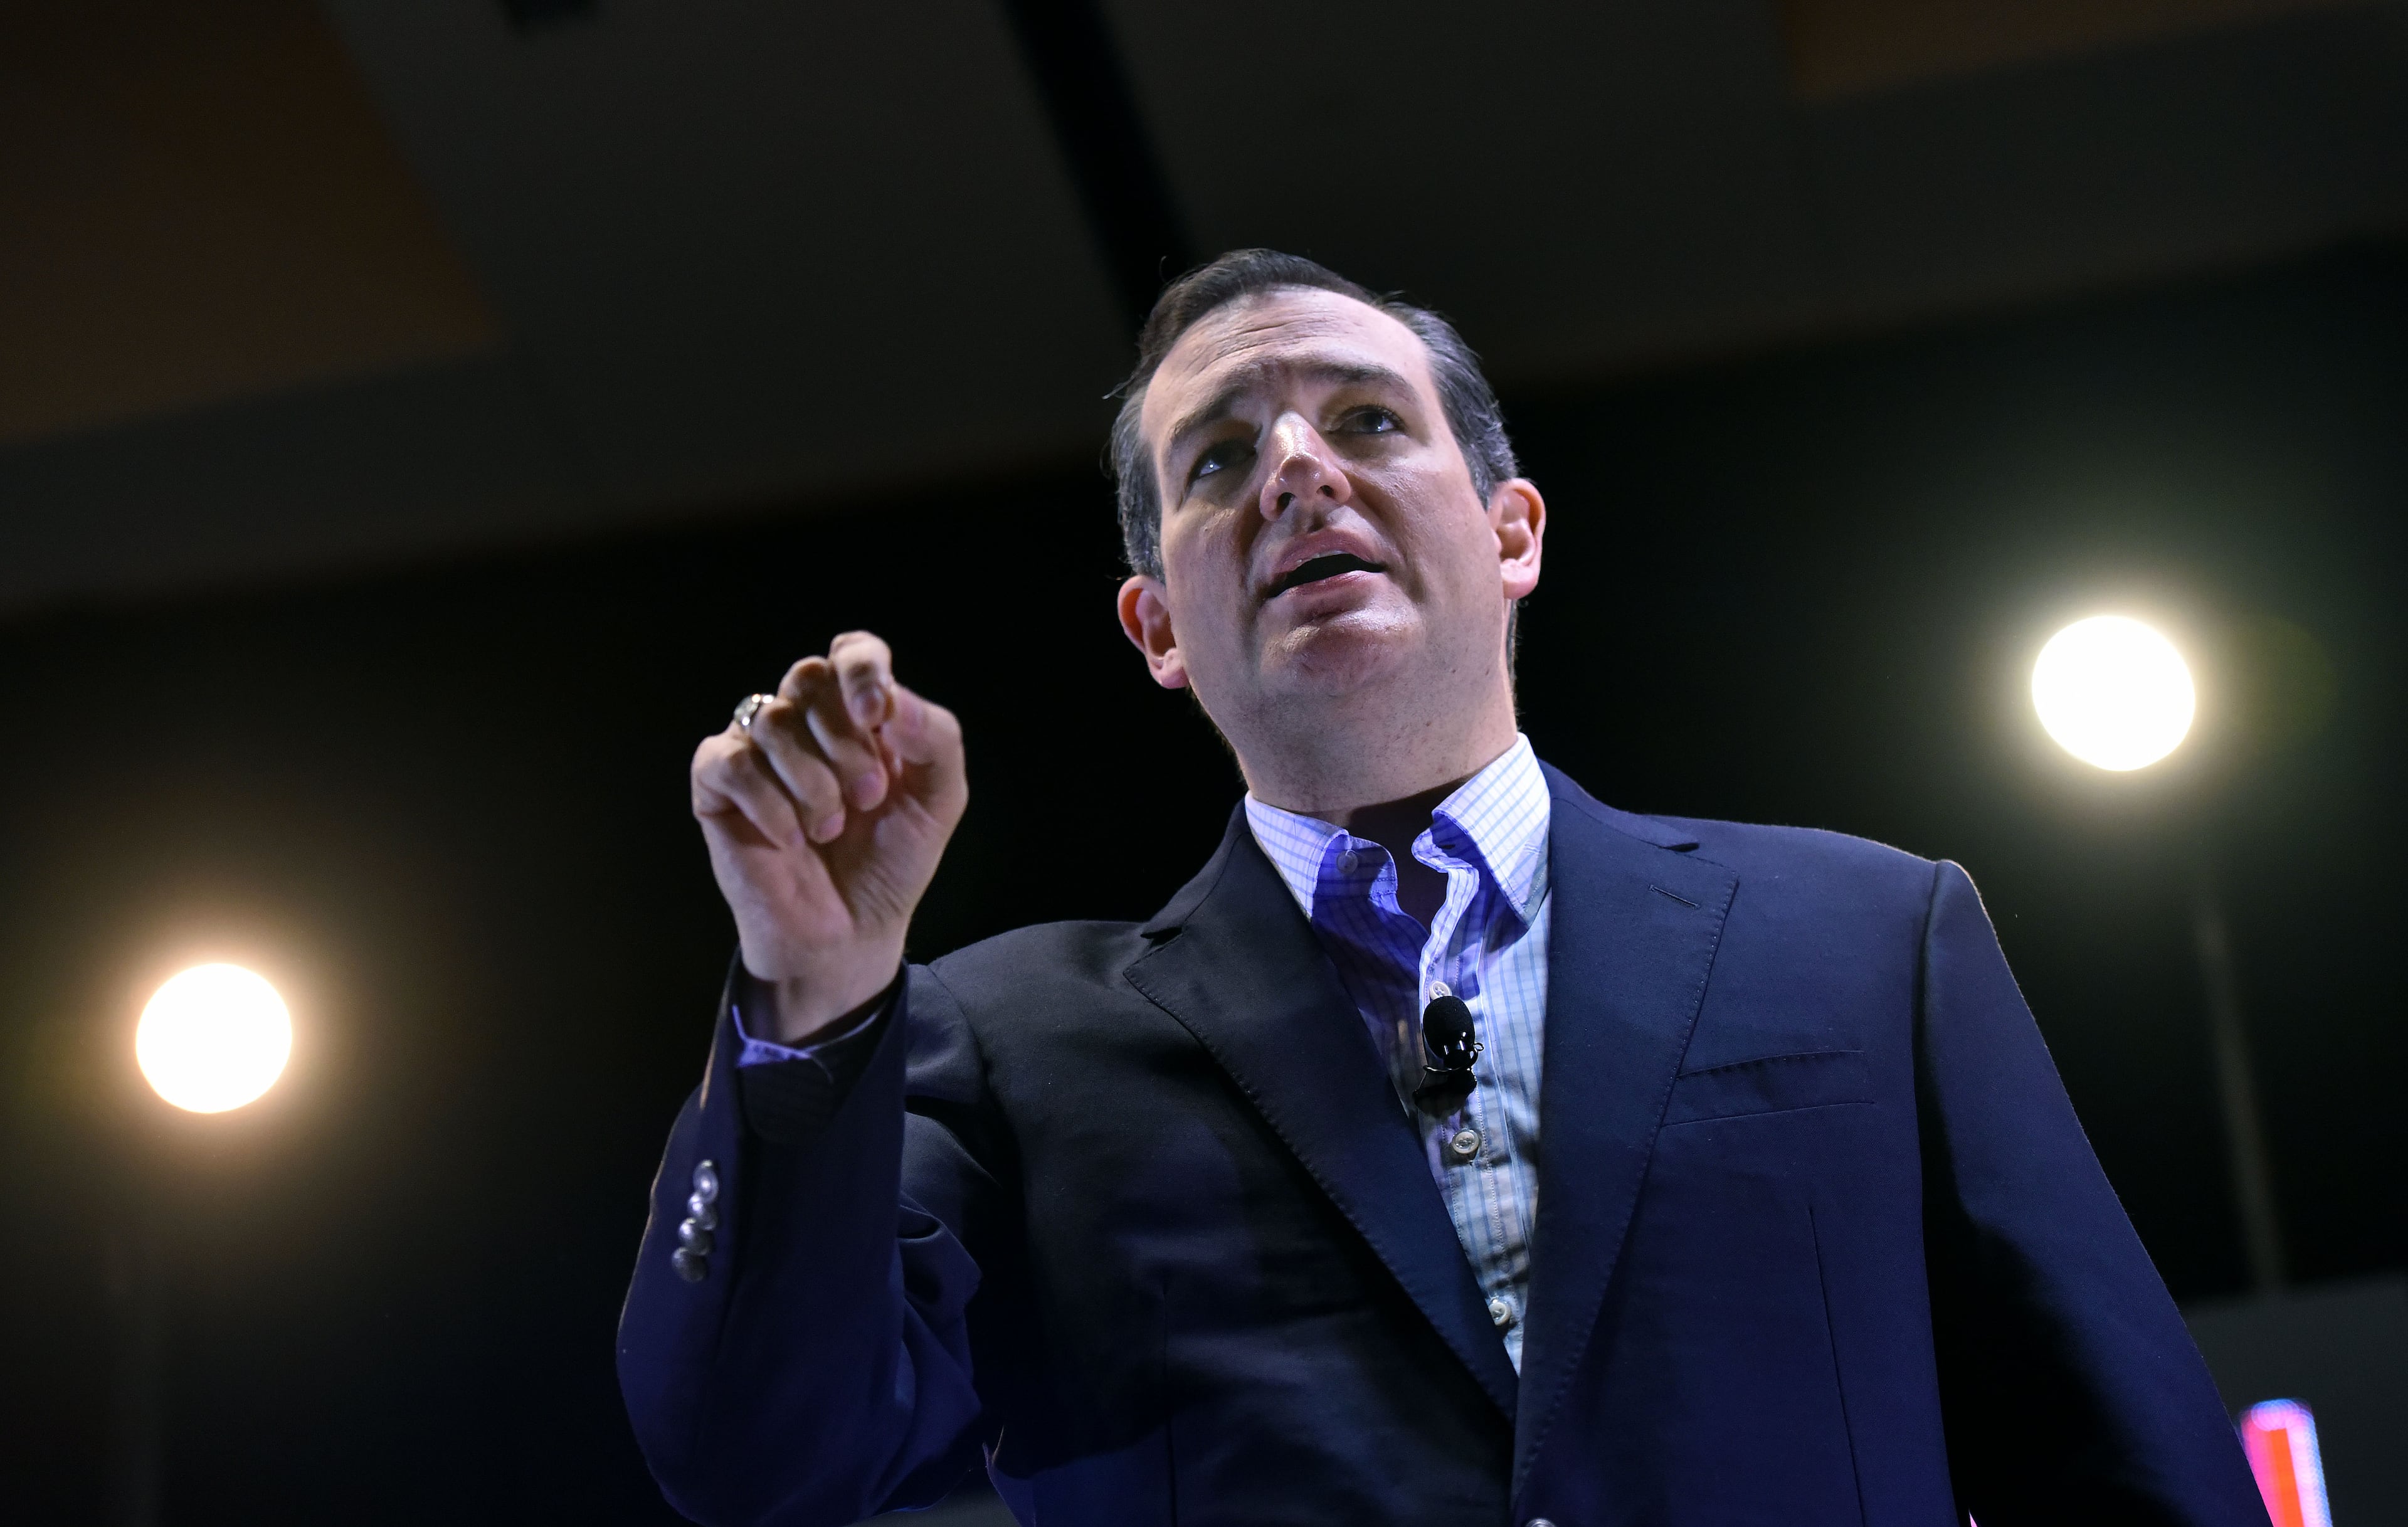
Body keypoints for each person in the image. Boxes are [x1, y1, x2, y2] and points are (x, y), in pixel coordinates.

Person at [618, 251, 2263, 1527]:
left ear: (1511, 531)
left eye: (1367, 422)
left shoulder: (1869, 941)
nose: (1294, 471)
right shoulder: (1003, 1045)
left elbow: (2133, 1474)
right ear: (1158, 630)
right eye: (1217, 460)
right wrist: (808, 998)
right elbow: (759, 1459)